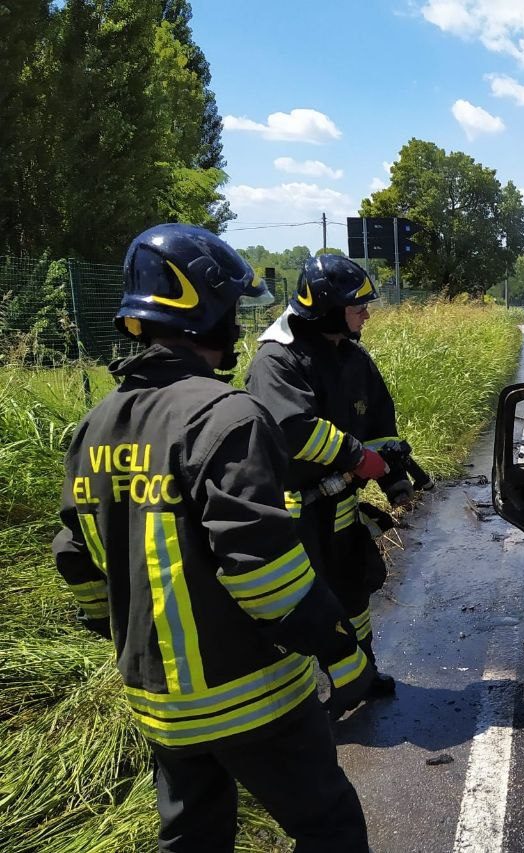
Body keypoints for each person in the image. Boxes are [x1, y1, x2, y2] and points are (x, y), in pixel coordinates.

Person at [52, 224, 371, 851]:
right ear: (207, 312)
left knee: (193, 839)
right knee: (329, 826)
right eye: (232, 308)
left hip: (158, 703)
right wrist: (341, 652)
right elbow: (261, 567)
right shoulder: (225, 415)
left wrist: (116, 629)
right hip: (253, 695)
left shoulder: (94, 426)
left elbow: (77, 559)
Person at [246, 255, 413, 700]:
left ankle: (359, 677)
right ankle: (304, 698)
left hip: (339, 507)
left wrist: (393, 475)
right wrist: (360, 460)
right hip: (294, 513)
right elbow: (293, 430)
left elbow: (381, 423)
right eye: (358, 306)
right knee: (305, 604)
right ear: (327, 307)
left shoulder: (352, 357)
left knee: (353, 591)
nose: (367, 314)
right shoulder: (277, 360)